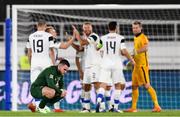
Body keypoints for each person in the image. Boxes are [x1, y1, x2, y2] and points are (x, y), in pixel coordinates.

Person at [96, 21, 135, 113]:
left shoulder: (103, 38)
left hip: (105, 64)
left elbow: (97, 48)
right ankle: (115, 107)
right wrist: (131, 60)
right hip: (116, 64)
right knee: (118, 85)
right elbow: (124, 51)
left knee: (103, 84)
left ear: (108, 28)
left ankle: (99, 102)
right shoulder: (120, 38)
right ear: (116, 28)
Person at [124, 21, 161, 112]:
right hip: (136, 66)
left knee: (147, 85)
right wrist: (132, 56)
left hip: (142, 66)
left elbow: (146, 48)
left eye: (136, 27)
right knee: (134, 86)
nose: (135, 29)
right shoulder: (135, 38)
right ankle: (133, 108)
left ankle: (157, 106)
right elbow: (136, 50)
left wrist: (136, 52)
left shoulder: (143, 37)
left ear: (141, 28)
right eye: (133, 28)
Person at [73, 22, 102, 112]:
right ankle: (87, 108)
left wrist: (77, 34)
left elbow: (81, 43)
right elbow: (80, 48)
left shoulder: (94, 36)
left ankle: (101, 107)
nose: (87, 29)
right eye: (85, 28)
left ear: (91, 28)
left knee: (96, 85)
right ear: (83, 29)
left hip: (95, 65)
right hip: (88, 66)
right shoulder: (86, 39)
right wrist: (71, 40)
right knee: (86, 86)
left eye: (88, 27)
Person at [26, 20, 55, 111]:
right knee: (48, 85)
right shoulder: (49, 36)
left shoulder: (30, 36)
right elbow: (51, 51)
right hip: (45, 62)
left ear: (37, 25)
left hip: (35, 62)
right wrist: (53, 64)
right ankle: (40, 105)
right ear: (45, 26)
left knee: (35, 84)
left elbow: (29, 53)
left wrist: (31, 64)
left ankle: (36, 103)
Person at [45, 26, 75, 112]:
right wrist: (73, 37)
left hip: (48, 67)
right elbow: (65, 46)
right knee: (57, 88)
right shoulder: (50, 40)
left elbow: (50, 53)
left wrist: (57, 58)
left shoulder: (50, 42)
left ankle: (55, 108)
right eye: (53, 31)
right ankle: (54, 108)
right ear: (48, 34)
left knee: (55, 87)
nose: (56, 33)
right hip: (49, 68)